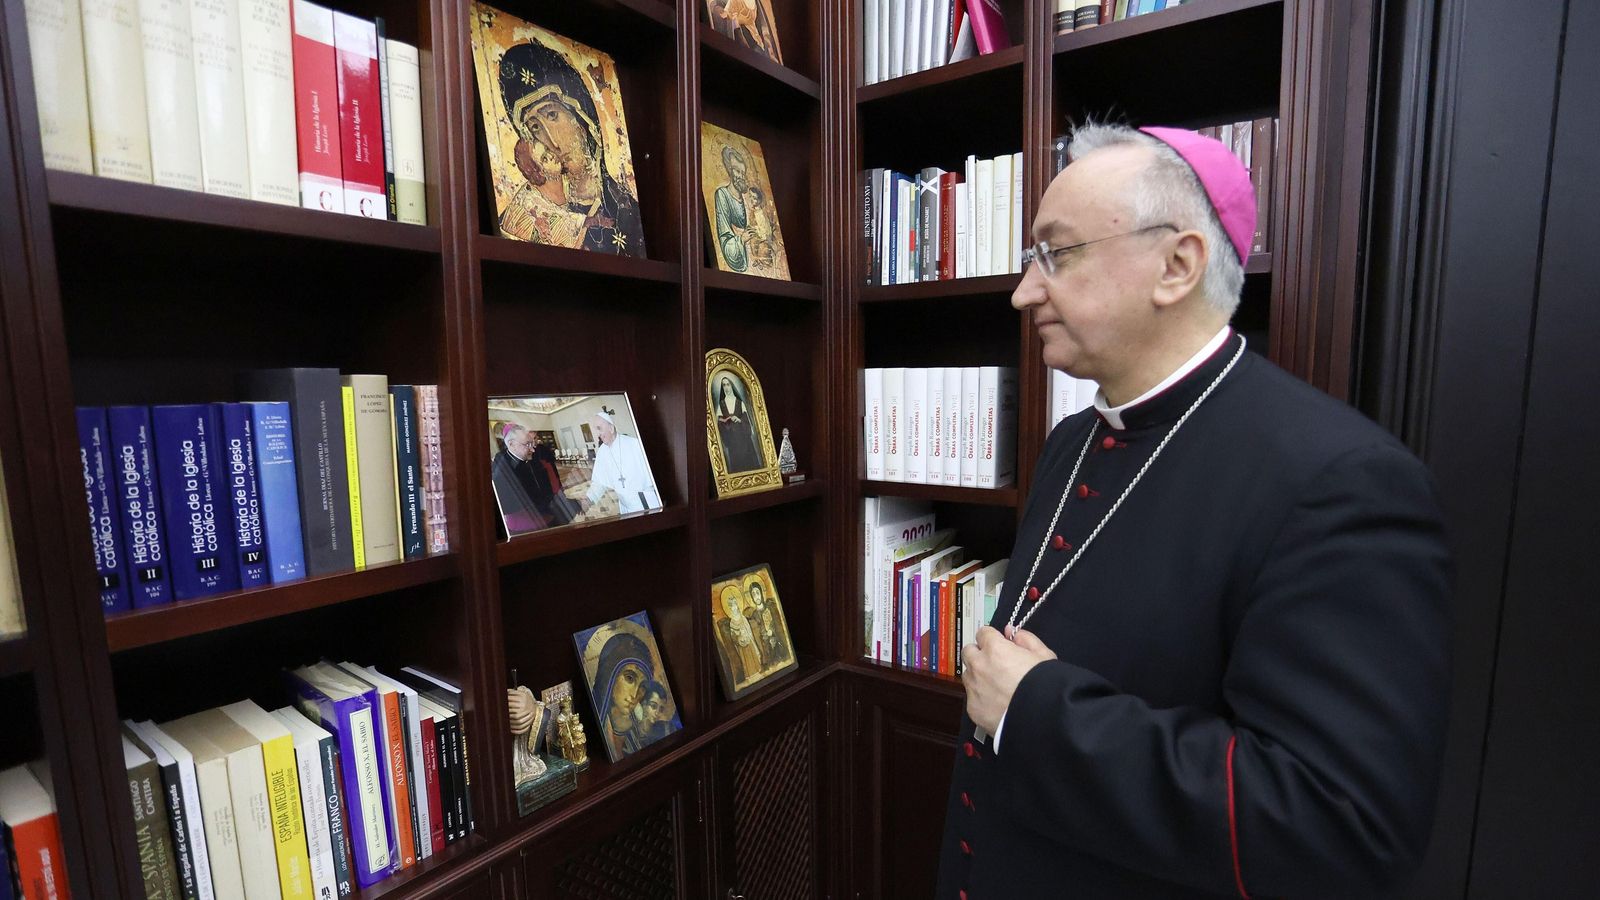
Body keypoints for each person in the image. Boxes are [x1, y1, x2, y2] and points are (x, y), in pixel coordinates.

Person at [937, 124, 1452, 898]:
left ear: (1177, 266)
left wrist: (1038, 714)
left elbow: (1337, 822)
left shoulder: (1341, 481)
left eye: (1057, 252)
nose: (1024, 291)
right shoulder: (1075, 438)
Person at [496, 40, 645, 255]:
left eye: (552, 115)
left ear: (583, 118)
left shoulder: (629, 214)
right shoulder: (525, 218)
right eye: (535, 127)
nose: (552, 143)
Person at [712, 145, 781, 273]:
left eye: (743, 172)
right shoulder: (722, 195)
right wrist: (741, 240)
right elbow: (724, 237)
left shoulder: (748, 197)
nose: (741, 176)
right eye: (737, 171)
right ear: (729, 170)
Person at [581, 410, 660, 515]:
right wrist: (589, 498)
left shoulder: (634, 444)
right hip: (625, 506)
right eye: (596, 429)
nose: (597, 433)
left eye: (599, 428)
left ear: (611, 428)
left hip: (645, 503)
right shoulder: (602, 451)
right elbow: (600, 481)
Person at [589, 630, 653, 759]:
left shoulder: (640, 731)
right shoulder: (599, 728)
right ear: (610, 677)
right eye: (629, 678)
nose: (635, 695)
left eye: (642, 686)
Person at [713, 375, 764, 473]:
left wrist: (739, 420)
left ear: (731, 386)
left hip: (744, 441)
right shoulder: (722, 405)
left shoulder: (740, 403)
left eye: (728, 384)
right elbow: (718, 423)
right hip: (733, 442)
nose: (726, 387)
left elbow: (747, 422)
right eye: (724, 385)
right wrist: (727, 422)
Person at [715, 585, 765, 685]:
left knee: (753, 656)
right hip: (742, 645)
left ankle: (758, 668)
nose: (735, 607)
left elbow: (748, 628)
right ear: (729, 607)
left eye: (735, 604)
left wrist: (747, 635)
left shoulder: (742, 617)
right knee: (746, 658)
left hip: (748, 641)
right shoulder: (732, 622)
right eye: (732, 605)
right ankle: (749, 674)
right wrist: (739, 638)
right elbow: (733, 636)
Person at [746, 579, 789, 668]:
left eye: (757, 593)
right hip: (766, 646)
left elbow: (777, 624)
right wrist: (765, 635)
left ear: (761, 593)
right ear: (751, 597)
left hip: (777, 641)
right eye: (753, 594)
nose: (756, 596)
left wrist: (772, 631)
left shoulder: (769, 606)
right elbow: (757, 632)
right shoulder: (754, 615)